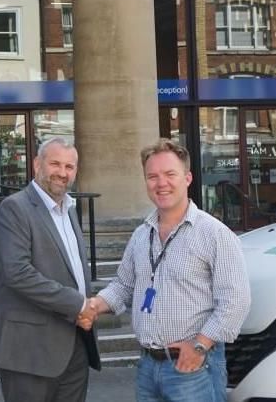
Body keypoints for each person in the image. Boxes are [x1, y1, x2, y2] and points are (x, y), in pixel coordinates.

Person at [80, 138, 250, 402]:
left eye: (170, 174)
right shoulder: (141, 234)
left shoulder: (215, 234)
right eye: (152, 176)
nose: (161, 183)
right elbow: (124, 285)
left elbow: (235, 302)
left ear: (188, 178)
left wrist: (199, 346)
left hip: (193, 367)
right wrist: (92, 306)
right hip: (148, 366)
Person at [0, 137, 101, 402]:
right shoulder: (15, 208)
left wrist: (87, 308)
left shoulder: (70, 209)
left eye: (69, 166)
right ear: (37, 164)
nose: (62, 173)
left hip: (75, 344)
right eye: (55, 164)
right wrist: (78, 304)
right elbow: (18, 273)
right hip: (30, 351)